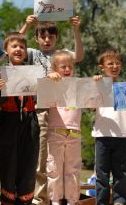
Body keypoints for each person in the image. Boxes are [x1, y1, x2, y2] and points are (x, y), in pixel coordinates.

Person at [19, 15, 84, 205]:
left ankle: (61, 198)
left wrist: (76, 30)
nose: (47, 40)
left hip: (61, 111)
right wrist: (27, 25)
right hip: (39, 109)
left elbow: (78, 56)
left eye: (51, 37)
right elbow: (15, 45)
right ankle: (41, 198)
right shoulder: (31, 53)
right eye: (43, 37)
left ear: (56, 38)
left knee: (60, 159)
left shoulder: (61, 55)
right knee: (42, 158)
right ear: (37, 38)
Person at [0, 32, 40, 205]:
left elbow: (42, 96)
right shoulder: (0, 72)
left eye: (22, 47)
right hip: (8, 121)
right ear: (6, 50)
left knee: (28, 165)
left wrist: (48, 80)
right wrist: (0, 90)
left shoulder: (33, 72)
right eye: (14, 46)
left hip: (30, 120)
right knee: (8, 165)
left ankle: (25, 201)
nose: (18, 49)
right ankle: (7, 200)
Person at [92, 49, 126, 205]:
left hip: (121, 134)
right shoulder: (97, 85)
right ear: (102, 67)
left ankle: (119, 201)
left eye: (117, 63)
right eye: (110, 64)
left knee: (121, 172)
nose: (114, 66)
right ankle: (101, 202)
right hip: (102, 134)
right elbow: (88, 103)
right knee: (101, 174)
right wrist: (95, 83)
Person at [45, 50, 82, 205]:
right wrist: (49, 78)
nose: (67, 70)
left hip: (74, 133)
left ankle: (72, 201)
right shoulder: (50, 84)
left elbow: (94, 101)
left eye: (70, 67)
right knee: (54, 169)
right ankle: (55, 201)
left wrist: (97, 81)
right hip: (55, 133)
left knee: (73, 170)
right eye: (63, 67)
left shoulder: (79, 86)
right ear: (54, 69)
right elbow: (42, 101)